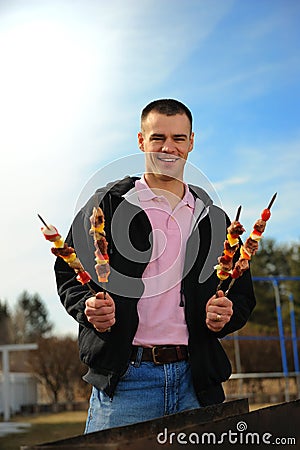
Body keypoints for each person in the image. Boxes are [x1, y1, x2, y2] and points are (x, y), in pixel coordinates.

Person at [54, 99, 256, 433]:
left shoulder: (215, 221)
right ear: (140, 141)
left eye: (179, 138)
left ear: (191, 142)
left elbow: (243, 296)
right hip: (126, 383)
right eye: (157, 137)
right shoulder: (108, 205)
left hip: (198, 381)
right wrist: (87, 306)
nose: (168, 147)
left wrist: (227, 314)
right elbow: (69, 272)